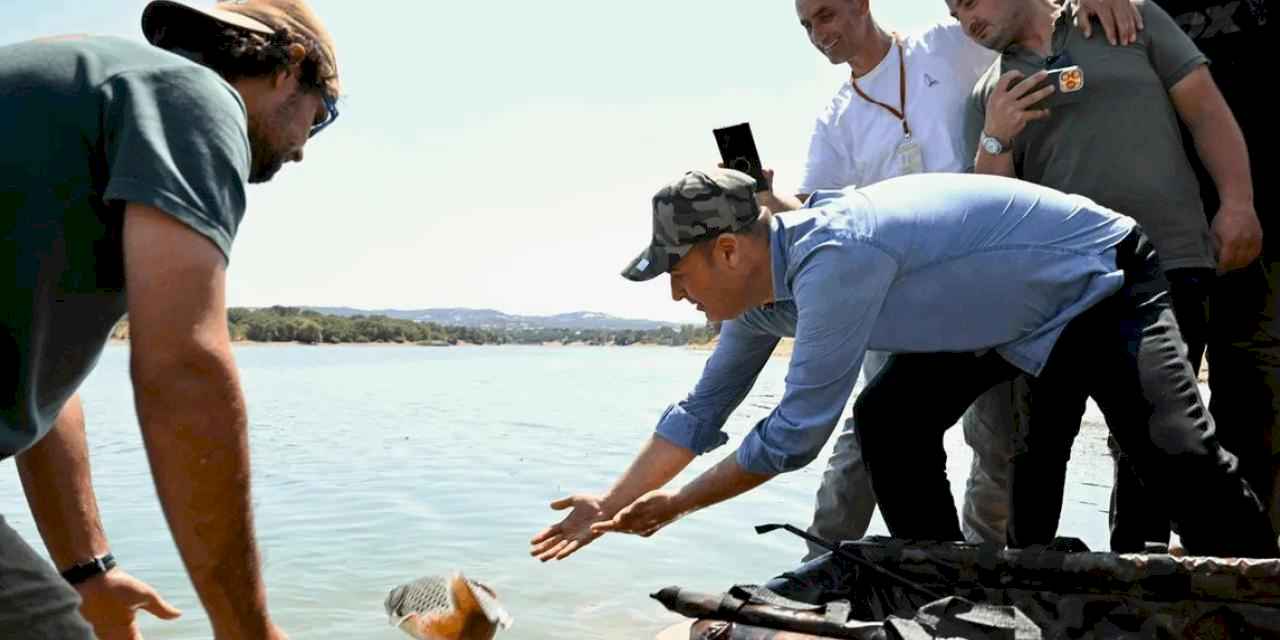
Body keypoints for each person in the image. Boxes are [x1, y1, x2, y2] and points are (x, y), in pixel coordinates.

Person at [528, 167, 1279, 563]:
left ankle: (1260, 588)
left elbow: (794, 435)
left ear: (729, 250)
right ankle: (947, 579)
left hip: (1098, 277)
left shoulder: (834, 258)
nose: (674, 291)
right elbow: (700, 412)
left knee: (1175, 453)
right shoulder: (757, 300)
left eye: (678, 270)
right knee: (889, 419)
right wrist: (610, 501)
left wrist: (678, 506)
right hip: (993, 315)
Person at [0, 1, 341, 637]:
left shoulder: (87, 96)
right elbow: (184, 366)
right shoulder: (192, 96)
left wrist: (88, 570)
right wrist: (248, 628)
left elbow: (37, 384)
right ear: (291, 66)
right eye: (322, 119)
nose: (300, 153)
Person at [770, 0, 1142, 559]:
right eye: (805, 26)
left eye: (826, 16)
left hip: (992, 282)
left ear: (861, 5)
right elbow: (807, 214)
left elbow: (1027, 16)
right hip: (899, 300)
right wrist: (762, 202)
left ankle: (982, 575)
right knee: (868, 435)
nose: (819, 34)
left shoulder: (949, 43)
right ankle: (819, 568)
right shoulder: (836, 117)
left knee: (997, 444)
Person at [955, 0, 1263, 550]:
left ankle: (1136, 586)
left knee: (1154, 448)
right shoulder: (989, 93)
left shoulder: (1129, 17)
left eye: (969, 2)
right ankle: (1027, 586)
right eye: (953, 12)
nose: (965, 21)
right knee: (1038, 446)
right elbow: (989, 212)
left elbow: (1206, 112)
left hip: (1170, 264)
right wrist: (996, 136)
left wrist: (1237, 202)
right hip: (1058, 294)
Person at [1152, 0, 1279, 539]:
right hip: (1167, 234)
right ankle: (1140, 568)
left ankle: (1250, 568)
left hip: (1266, 227)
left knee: (1258, 402)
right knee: (1154, 413)